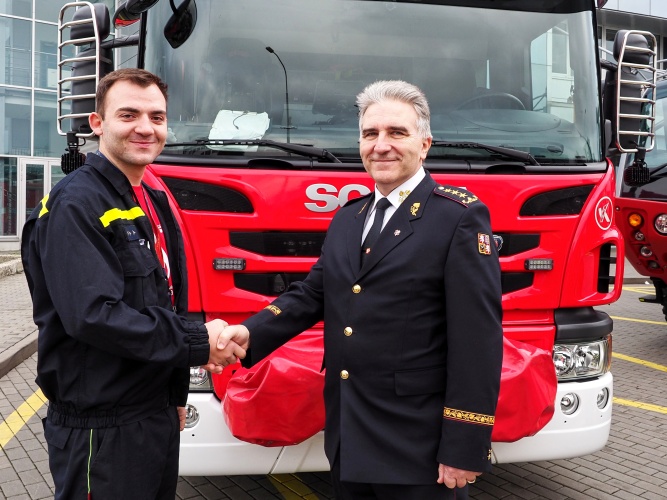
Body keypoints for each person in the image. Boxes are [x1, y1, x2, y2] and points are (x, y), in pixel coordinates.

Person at [217, 80, 503, 499]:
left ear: (424, 144)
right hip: (349, 436)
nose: (381, 146)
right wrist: (250, 332)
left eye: (396, 133)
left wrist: (464, 444)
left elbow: (477, 340)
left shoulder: (458, 218)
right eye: (371, 134)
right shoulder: (349, 217)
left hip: (417, 445)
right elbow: (315, 293)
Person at [21, 68, 239, 500]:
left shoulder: (153, 201)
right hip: (102, 430)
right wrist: (200, 341)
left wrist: (176, 394)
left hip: (153, 415)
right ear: (97, 123)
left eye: (157, 117)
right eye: (128, 115)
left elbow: (166, 303)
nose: (145, 128)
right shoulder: (75, 203)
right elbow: (94, 316)